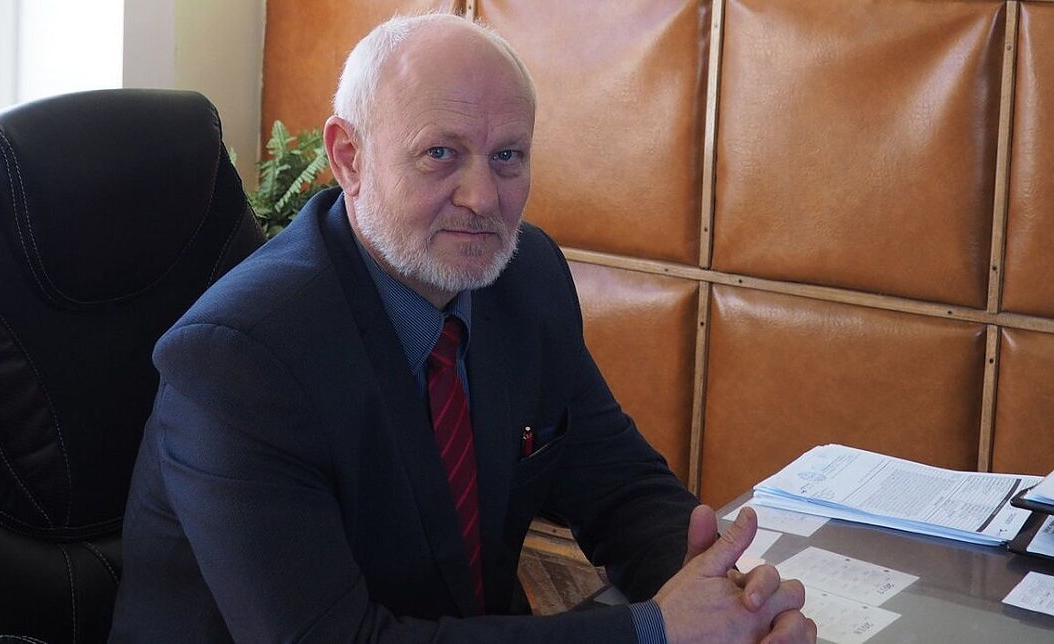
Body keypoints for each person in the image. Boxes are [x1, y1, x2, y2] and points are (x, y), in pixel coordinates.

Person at [110, 13, 814, 644]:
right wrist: (655, 630)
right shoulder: (239, 359)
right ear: (349, 157)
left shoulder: (525, 275)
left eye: (507, 156)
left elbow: (617, 482)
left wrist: (720, 586)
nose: (482, 199)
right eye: (440, 154)